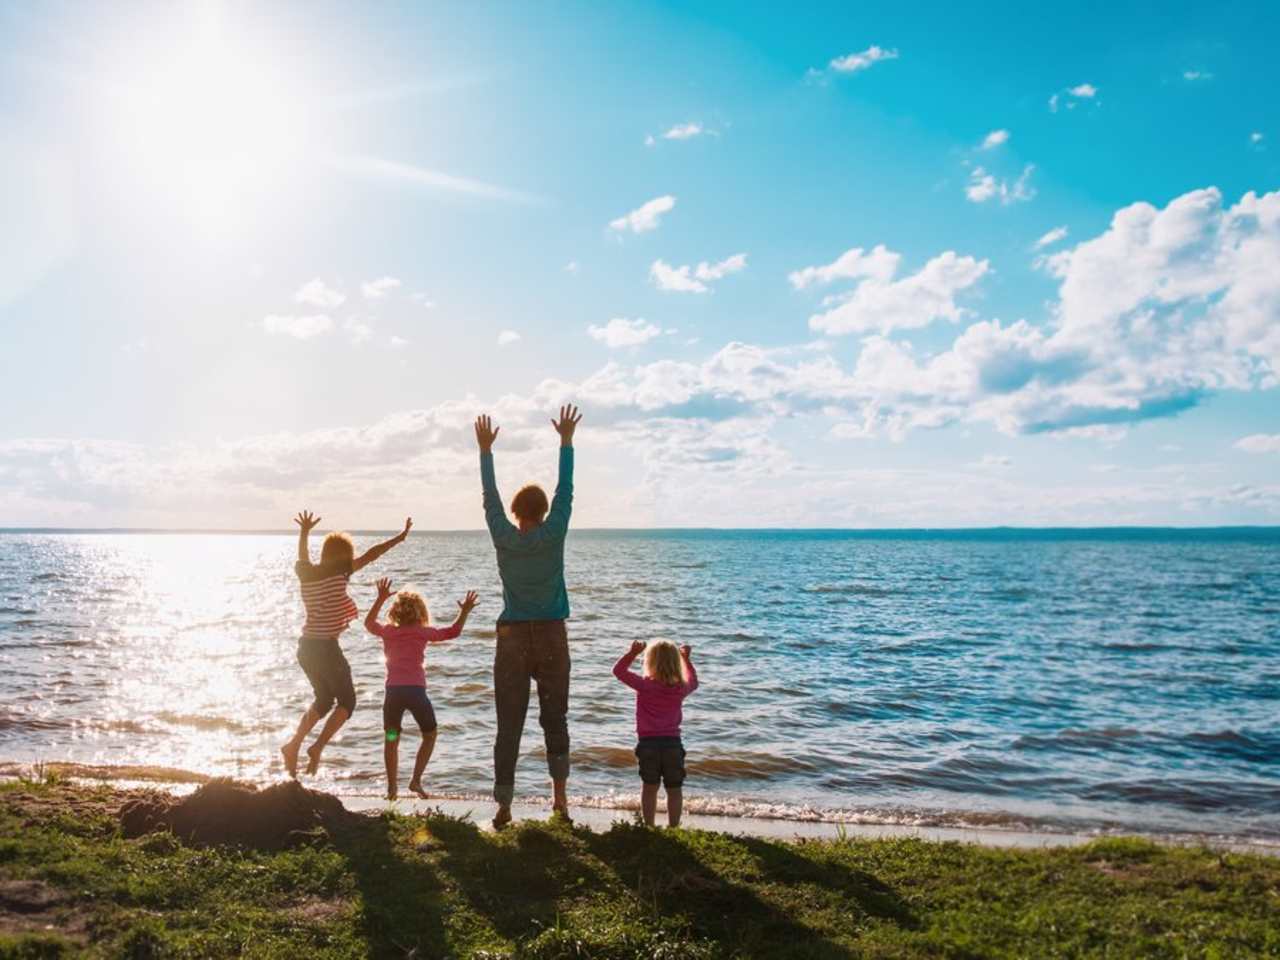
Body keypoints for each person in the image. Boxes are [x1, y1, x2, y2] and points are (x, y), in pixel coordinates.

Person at [474, 404, 581, 828]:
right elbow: (566, 493)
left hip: (513, 638)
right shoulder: (554, 534)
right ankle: (560, 803)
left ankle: (504, 807)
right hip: (553, 635)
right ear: (541, 512)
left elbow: (489, 500)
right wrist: (566, 441)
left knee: (509, 723)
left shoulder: (504, 538)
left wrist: (486, 452)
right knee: (555, 718)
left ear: (518, 512)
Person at [280, 511, 412, 778]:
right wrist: (399, 538)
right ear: (344, 556)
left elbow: (302, 555)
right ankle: (316, 748)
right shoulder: (341, 571)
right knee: (348, 702)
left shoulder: (306, 574)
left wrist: (304, 532)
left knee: (324, 699)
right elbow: (373, 554)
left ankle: (293, 745)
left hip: (305, 648)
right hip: (325, 648)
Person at [365, 577, 479, 800]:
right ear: (420, 613)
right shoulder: (422, 632)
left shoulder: (388, 631)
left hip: (393, 694)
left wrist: (379, 599)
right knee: (430, 734)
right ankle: (415, 780)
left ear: (395, 612)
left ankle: (391, 789)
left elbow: (369, 624)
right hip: (416, 693)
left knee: (391, 738)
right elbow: (453, 631)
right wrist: (465, 611)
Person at [612, 639, 699, 827]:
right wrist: (686, 660)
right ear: (676, 663)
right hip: (673, 744)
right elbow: (694, 682)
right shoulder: (679, 688)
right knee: (674, 789)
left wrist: (632, 653)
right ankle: (674, 827)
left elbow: (618, 671)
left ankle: (649, 826)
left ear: (649, 662)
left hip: (648, 744)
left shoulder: (644, 685)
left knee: (649, 788)